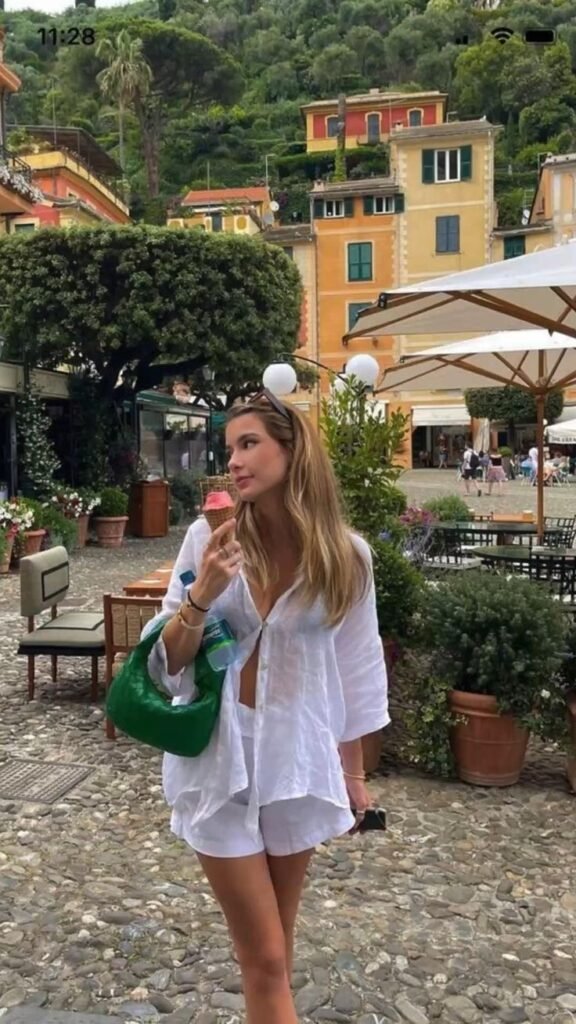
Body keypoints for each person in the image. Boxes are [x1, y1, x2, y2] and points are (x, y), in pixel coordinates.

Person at [145, 392, 389, 1024]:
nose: (234, 461)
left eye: (249, 443)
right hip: (219, 761)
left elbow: (357, 674)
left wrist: (355, 777)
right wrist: (203, 593)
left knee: (275, 953)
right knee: (266, 959)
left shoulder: (347, 557)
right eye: (230, 449)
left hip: (296, 763)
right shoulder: (209, 538)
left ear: (292, 449)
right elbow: (162, 661)